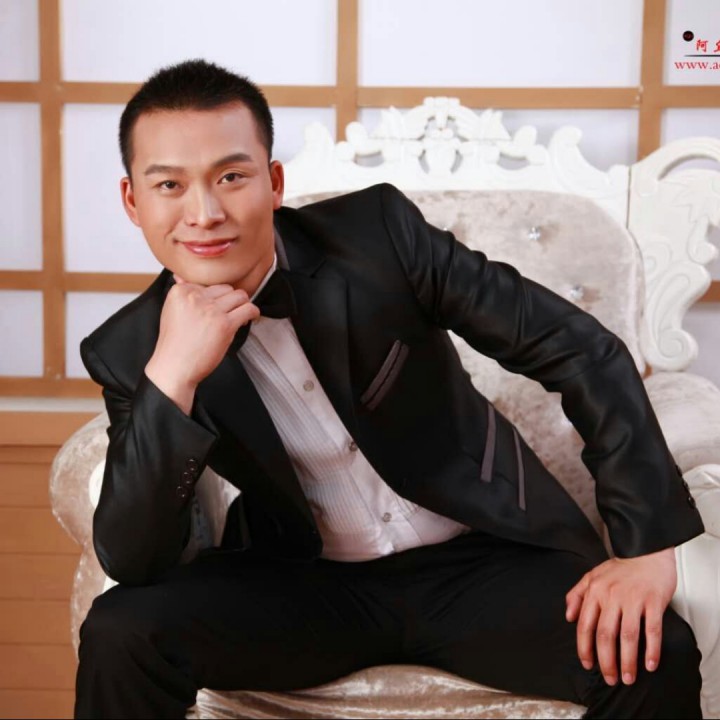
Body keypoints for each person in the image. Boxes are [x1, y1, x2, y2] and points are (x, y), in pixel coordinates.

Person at [74, 59, 704, 719]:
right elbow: (135, 557)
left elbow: (577, 347)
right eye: (169, 185)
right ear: (133, 202)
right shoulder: (128, 350)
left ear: (274, 183)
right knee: (122, 633)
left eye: (232, 177)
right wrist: (172, 377)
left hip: (482, 560)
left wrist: (645, 546)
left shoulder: (378, 236)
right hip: (301, 586)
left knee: (655, 653)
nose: (204, 214)